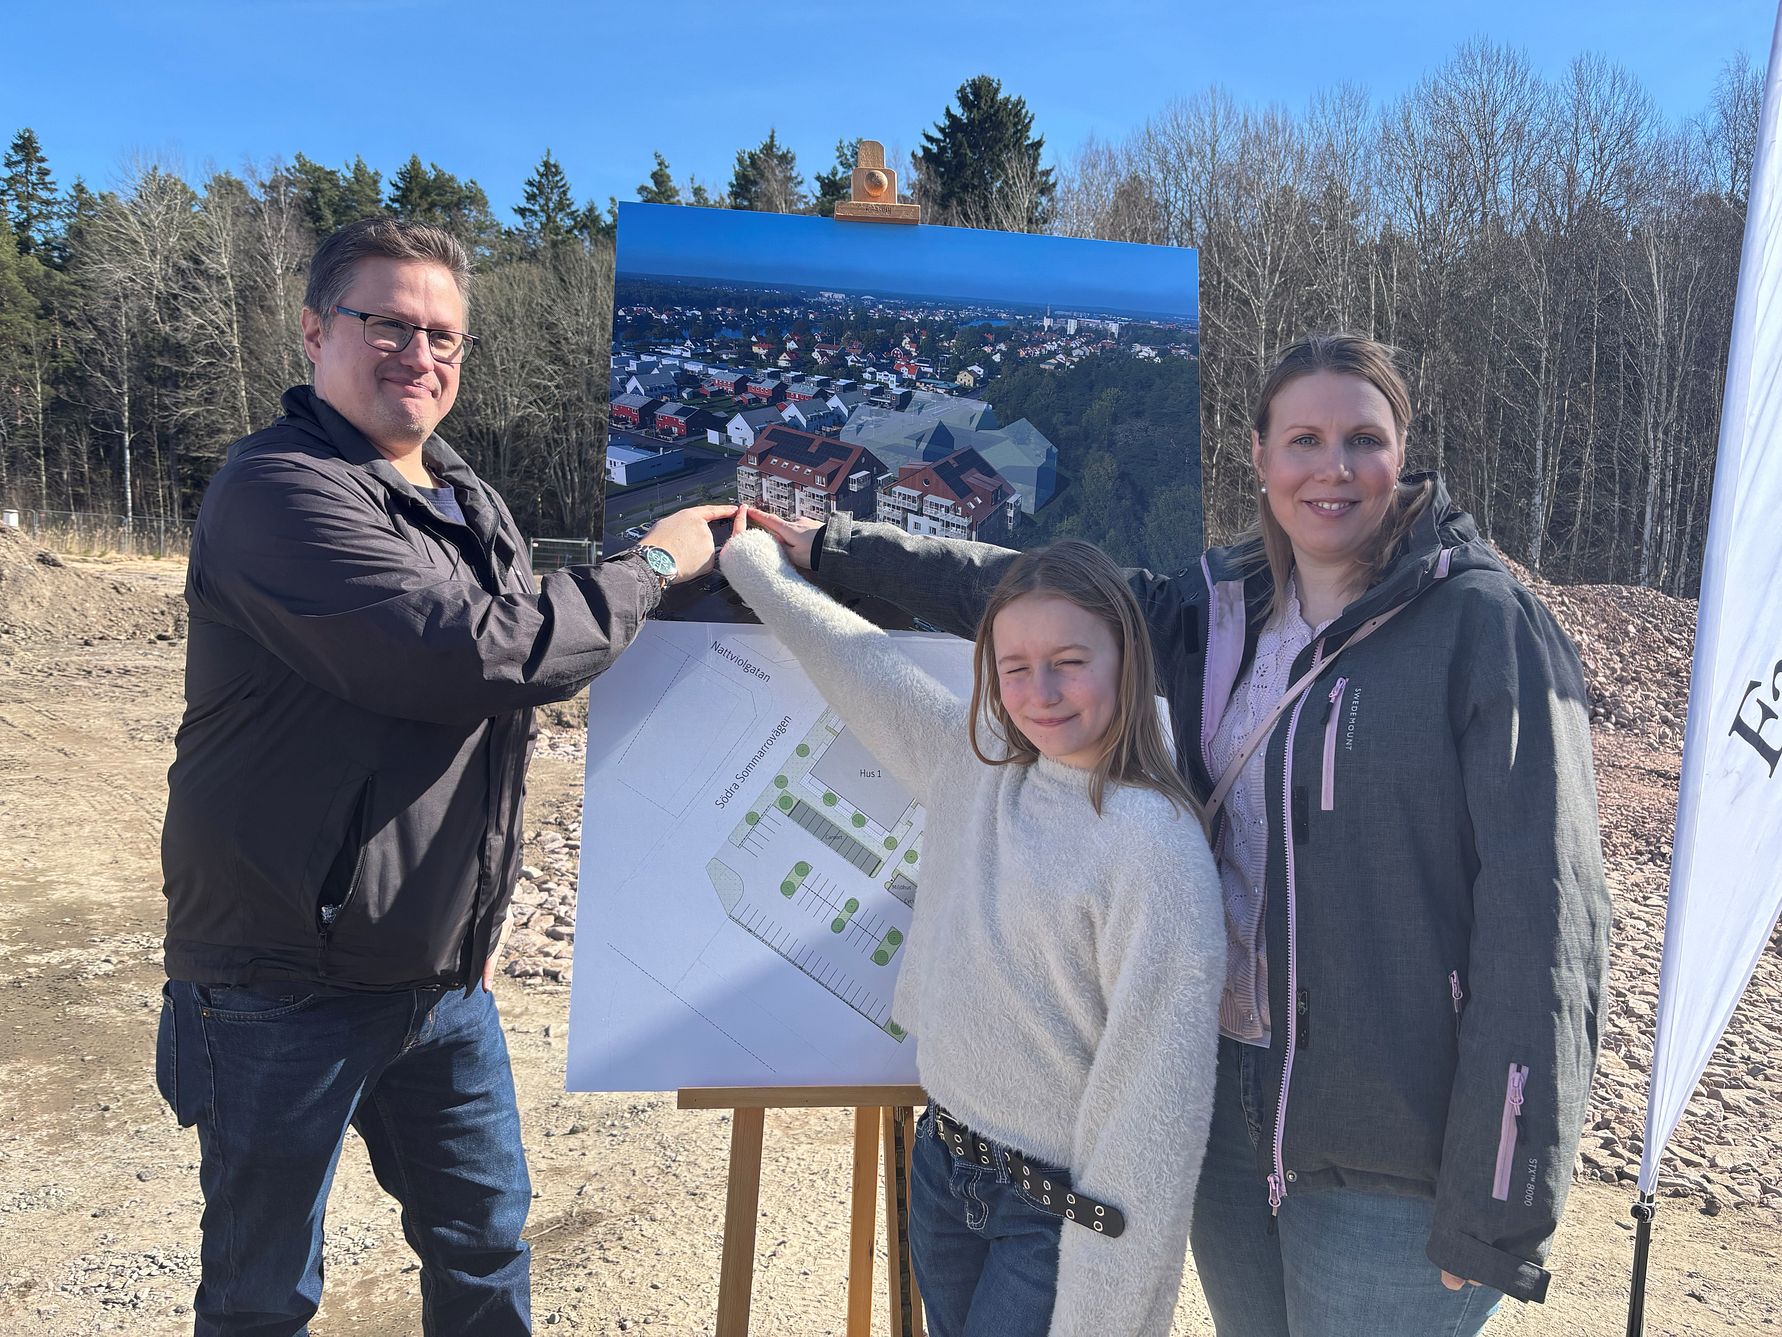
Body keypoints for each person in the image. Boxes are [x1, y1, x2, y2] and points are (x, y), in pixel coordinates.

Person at [744, 333, 1610, 1335]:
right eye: (1304, 438)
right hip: (1226, 1111)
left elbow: (1543, 919)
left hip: (1386, 1139)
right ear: (1260, 454)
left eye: (1361, 439)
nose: (1332, 467)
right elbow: (1040, 600)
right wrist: (836, 550)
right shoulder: (1217, 608)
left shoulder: (1483, 625)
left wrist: (1502, 1203)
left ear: (1401, 447)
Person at [156, 214, 733, 1336]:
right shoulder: (279, 491)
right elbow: (473, 650)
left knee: (481, 1246)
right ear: (317, 331)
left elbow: (527, 623)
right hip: (281, 976)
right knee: (264, 1289)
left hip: (438, 974)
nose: (420, 355)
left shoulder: (467, 496)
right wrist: (657, 562)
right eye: (389, 325)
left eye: (445, 337)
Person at [719, 514, 1223, 1336]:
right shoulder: (982, 762)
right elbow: (864, 671)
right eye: (1015, 668)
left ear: (1127, 658)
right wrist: (758, 570)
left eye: (1069, 663)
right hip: (945, 1164)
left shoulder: (1156, 850)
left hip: (1054, 1216)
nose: (1041, 694)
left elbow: (1153, 1115)